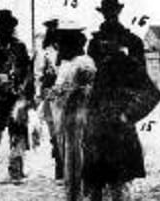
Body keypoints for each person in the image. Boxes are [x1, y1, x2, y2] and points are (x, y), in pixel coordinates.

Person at [83, 0, 160, 200]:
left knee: (120, 183)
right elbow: (89, 80)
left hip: (119, 122)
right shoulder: (94, 44)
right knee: (95, 183)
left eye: (112, 11)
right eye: (106, 11)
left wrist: (129, 114)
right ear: (103, 13)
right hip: (97, 120)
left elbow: (148, 90)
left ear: (118, 12)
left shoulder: (133, 43)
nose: (109, 15)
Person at [0, 9, 35, 185]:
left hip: (16, 97)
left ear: (12, 28)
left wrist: (26, 95)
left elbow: (28, 72)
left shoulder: (20, 48)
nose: (4, 30)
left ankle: (16, 171)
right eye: (0, 27)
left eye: (7, 27)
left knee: (18, 134)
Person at [48, 19, 95, 201]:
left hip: (76, 115)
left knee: (76, 157)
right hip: (73, 115)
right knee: (72, 155)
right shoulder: (76, 63)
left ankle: (77, 194)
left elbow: (76, 91)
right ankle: (75, 193)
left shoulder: (79, 64)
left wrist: (58, 93)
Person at [35, 18, 64, 181]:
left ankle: (66, 165)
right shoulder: (44, 52)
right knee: (54, 130)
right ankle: (60, 166)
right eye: (53, 31)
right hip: (51, 93)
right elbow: (39, 74)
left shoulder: (68, 51)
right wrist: (40, 94)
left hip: (66, 92)